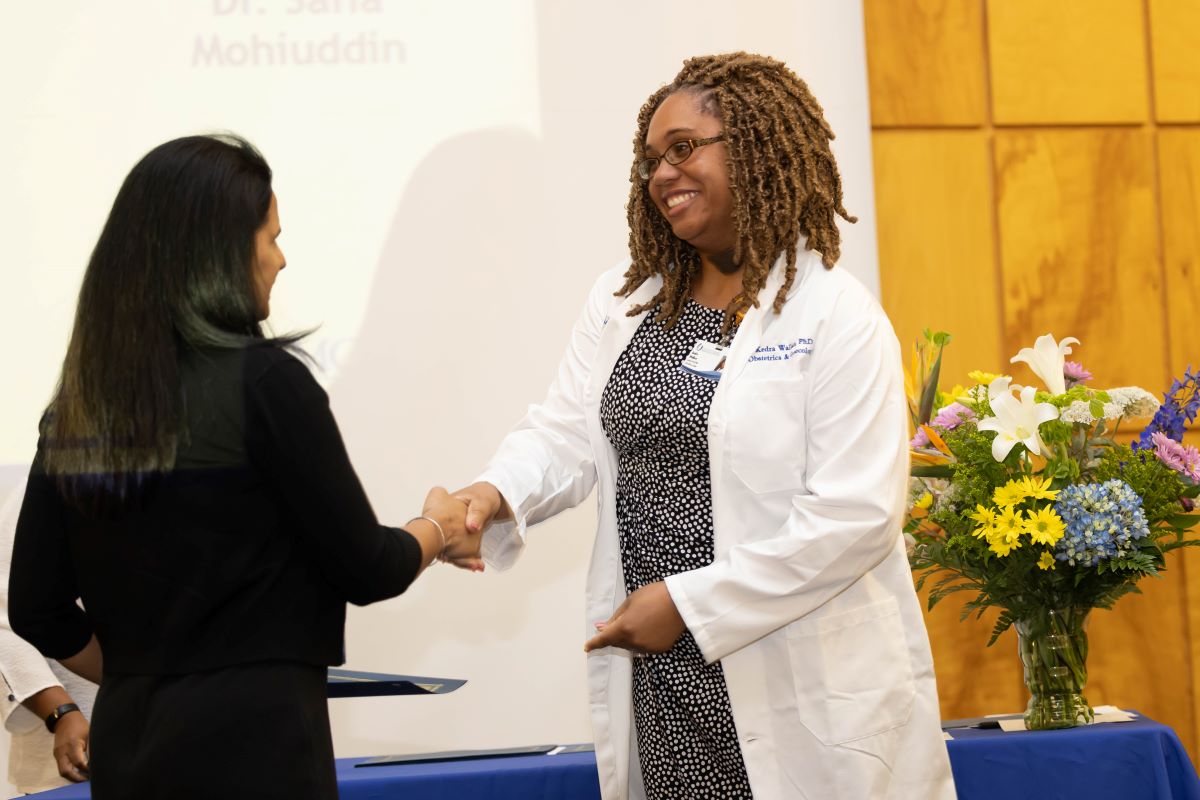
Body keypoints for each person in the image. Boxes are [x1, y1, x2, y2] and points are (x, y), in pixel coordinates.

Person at [447, 53, 957, 799]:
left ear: (754, 145)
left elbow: (856, 516)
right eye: (651, 158)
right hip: (666, 684)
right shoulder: (628, 304)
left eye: (684, 148)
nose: (661, 174)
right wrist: (496, 492)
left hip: (794, 674)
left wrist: (691, 603)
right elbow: (566, 431)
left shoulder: (835, 315)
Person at [7, 134, 474, 799]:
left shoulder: (80, 409)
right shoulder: (265, 383)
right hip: (258, 744)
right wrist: (437, 525)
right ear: (222, 251)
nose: (280, 260)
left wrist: (144, 674)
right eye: (272, 237)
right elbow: (368, 567)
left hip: (131, 745)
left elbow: (37, 607)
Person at [1, 475, 97, 793]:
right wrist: (60, 712)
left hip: (178, 735)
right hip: (67, 759)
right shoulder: (52, 480)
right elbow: (7, 620)